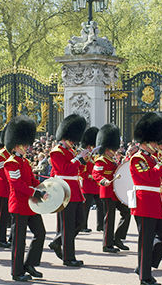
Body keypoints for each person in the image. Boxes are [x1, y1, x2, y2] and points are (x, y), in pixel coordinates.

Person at [130, 112, 162, 285]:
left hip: (155, 202)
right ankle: (145, 277)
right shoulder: (137, 158)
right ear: (145, 142)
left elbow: (159, 179)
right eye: (154, 142)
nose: (157, 145)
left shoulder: (151, 158)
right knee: (146, 242)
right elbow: (147, 177)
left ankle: (144, 266)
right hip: (144, 203)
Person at [4, 116, 46, 281]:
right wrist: (36, 192)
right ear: (16, 145)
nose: (27, 147)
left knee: (40, 233)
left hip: (31, 205)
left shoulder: (25, 162)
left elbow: (31, 180)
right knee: (19, 240)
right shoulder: (11, 163)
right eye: (24, 145)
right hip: (19, 205)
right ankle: (16, 271)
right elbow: (18, 185)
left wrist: (44, 187)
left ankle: (30, 264)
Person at [48, 114, 89, 267]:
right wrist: (78, 159)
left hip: (75, 191)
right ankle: (68, 257)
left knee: (79, 222)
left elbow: (78, 170)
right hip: (64, 191)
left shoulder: (71, 151)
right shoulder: (56, 152)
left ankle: (57, 241)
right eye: (71, 139)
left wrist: (84, 160)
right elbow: (64, 170)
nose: (73, 142)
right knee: (68, 226)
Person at [92, 124, 127, 253]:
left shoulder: (112, 161)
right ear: (107, 149)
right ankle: (107, 244)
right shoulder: (101, 161)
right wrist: (103, 180)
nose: (114, 151)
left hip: (116, 193)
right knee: (109, 218)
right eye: (112, 149)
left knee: (126, 212)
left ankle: (118, 238)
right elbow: (96, 174)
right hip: (107, 192)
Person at [79, 126, 101, 234]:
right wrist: (89, 176)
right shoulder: (85, 156)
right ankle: (83, 226)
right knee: (85, 207)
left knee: (101, 205)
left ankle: (100, 225)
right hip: (88, 185)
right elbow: (81, 171)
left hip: (96, 185)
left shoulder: (95, 155)